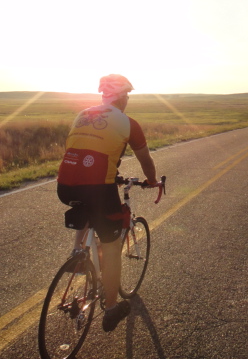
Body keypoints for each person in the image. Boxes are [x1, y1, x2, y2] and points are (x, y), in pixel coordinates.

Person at [57, 74, 157, 332]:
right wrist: (152, 180)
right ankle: (111, 308)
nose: (127, 100)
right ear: (122, 97)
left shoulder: (83, 114)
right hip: (99, 189)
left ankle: (77, 253)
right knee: (112, 248)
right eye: (127, 96)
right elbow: (145, 160)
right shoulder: (128, 123)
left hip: (65, 184)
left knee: (86, 206)